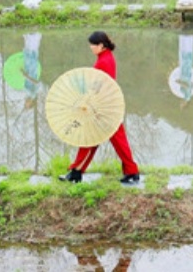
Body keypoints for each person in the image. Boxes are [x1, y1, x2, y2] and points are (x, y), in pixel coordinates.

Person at [59, 32, 141, 185]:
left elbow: (99, 86)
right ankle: (131, 171)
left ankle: (76, 172)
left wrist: (86, 99)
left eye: (93, 45)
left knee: (91, 137)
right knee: (113, 140)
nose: (91, 47)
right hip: (107, 106)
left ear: (101, 45)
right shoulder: (106, 57)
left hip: (103, 108)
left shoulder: (104, 61)